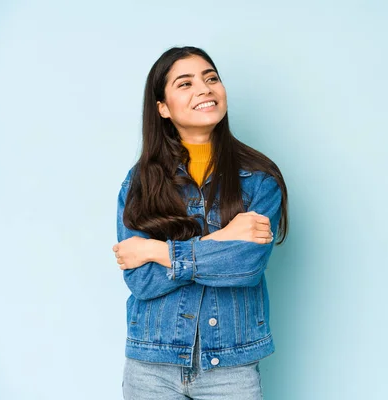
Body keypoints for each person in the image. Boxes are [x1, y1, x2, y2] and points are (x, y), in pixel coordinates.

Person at [112, 46, 288, 400]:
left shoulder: (259, 179)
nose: (205, 89)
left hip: (231, 367)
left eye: (211, 78)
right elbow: (142, 280)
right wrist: (223, 237)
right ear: (162, 107)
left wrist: (155, 250)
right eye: (185, 83)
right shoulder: (140, 183)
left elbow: (245, 266)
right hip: (151, 365)